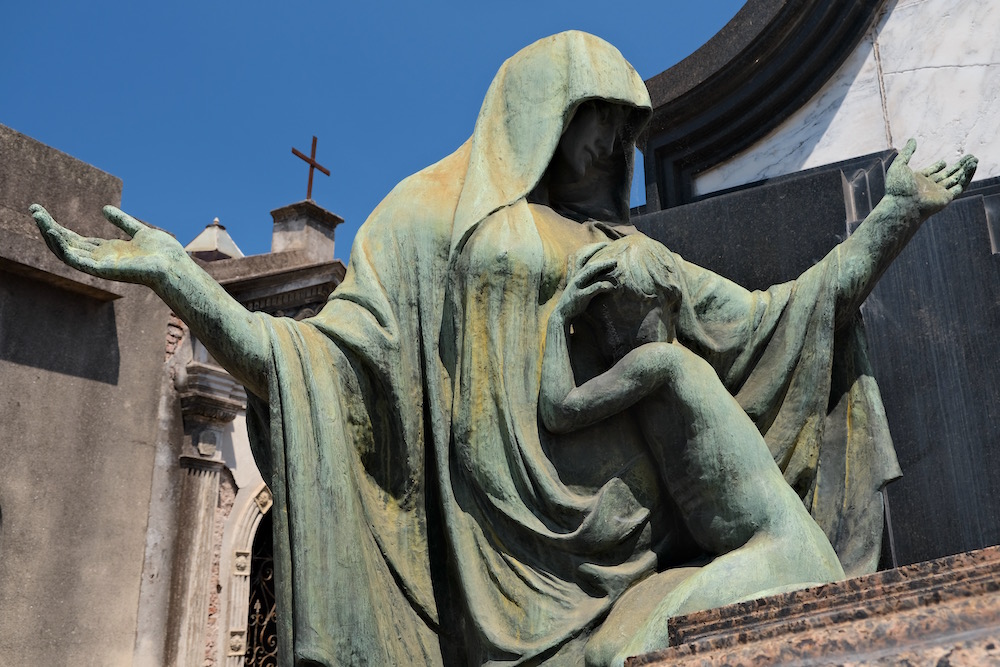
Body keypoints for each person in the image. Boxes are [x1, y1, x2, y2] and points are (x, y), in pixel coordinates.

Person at [30, 31, 976, 667]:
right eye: (593, 113)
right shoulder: (430, 224)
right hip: (503, 591)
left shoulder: (631, 252)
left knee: (794, 583)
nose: (611, 139)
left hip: (633, 574)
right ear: (539, 115)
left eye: (623, 122)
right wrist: (184, 281)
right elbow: (324, 369)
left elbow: (782, 319)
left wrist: (892, 216)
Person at [539, 235, 846, 663]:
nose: (614, 339)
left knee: (628, 659)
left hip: (782, 553)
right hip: (749, 551)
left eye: (625, 315)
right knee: (603, 651)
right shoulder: (672, 368)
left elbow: (559, 410)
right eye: (603, 323)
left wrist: (558, 320)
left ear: (666, 303)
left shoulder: (660, 362)